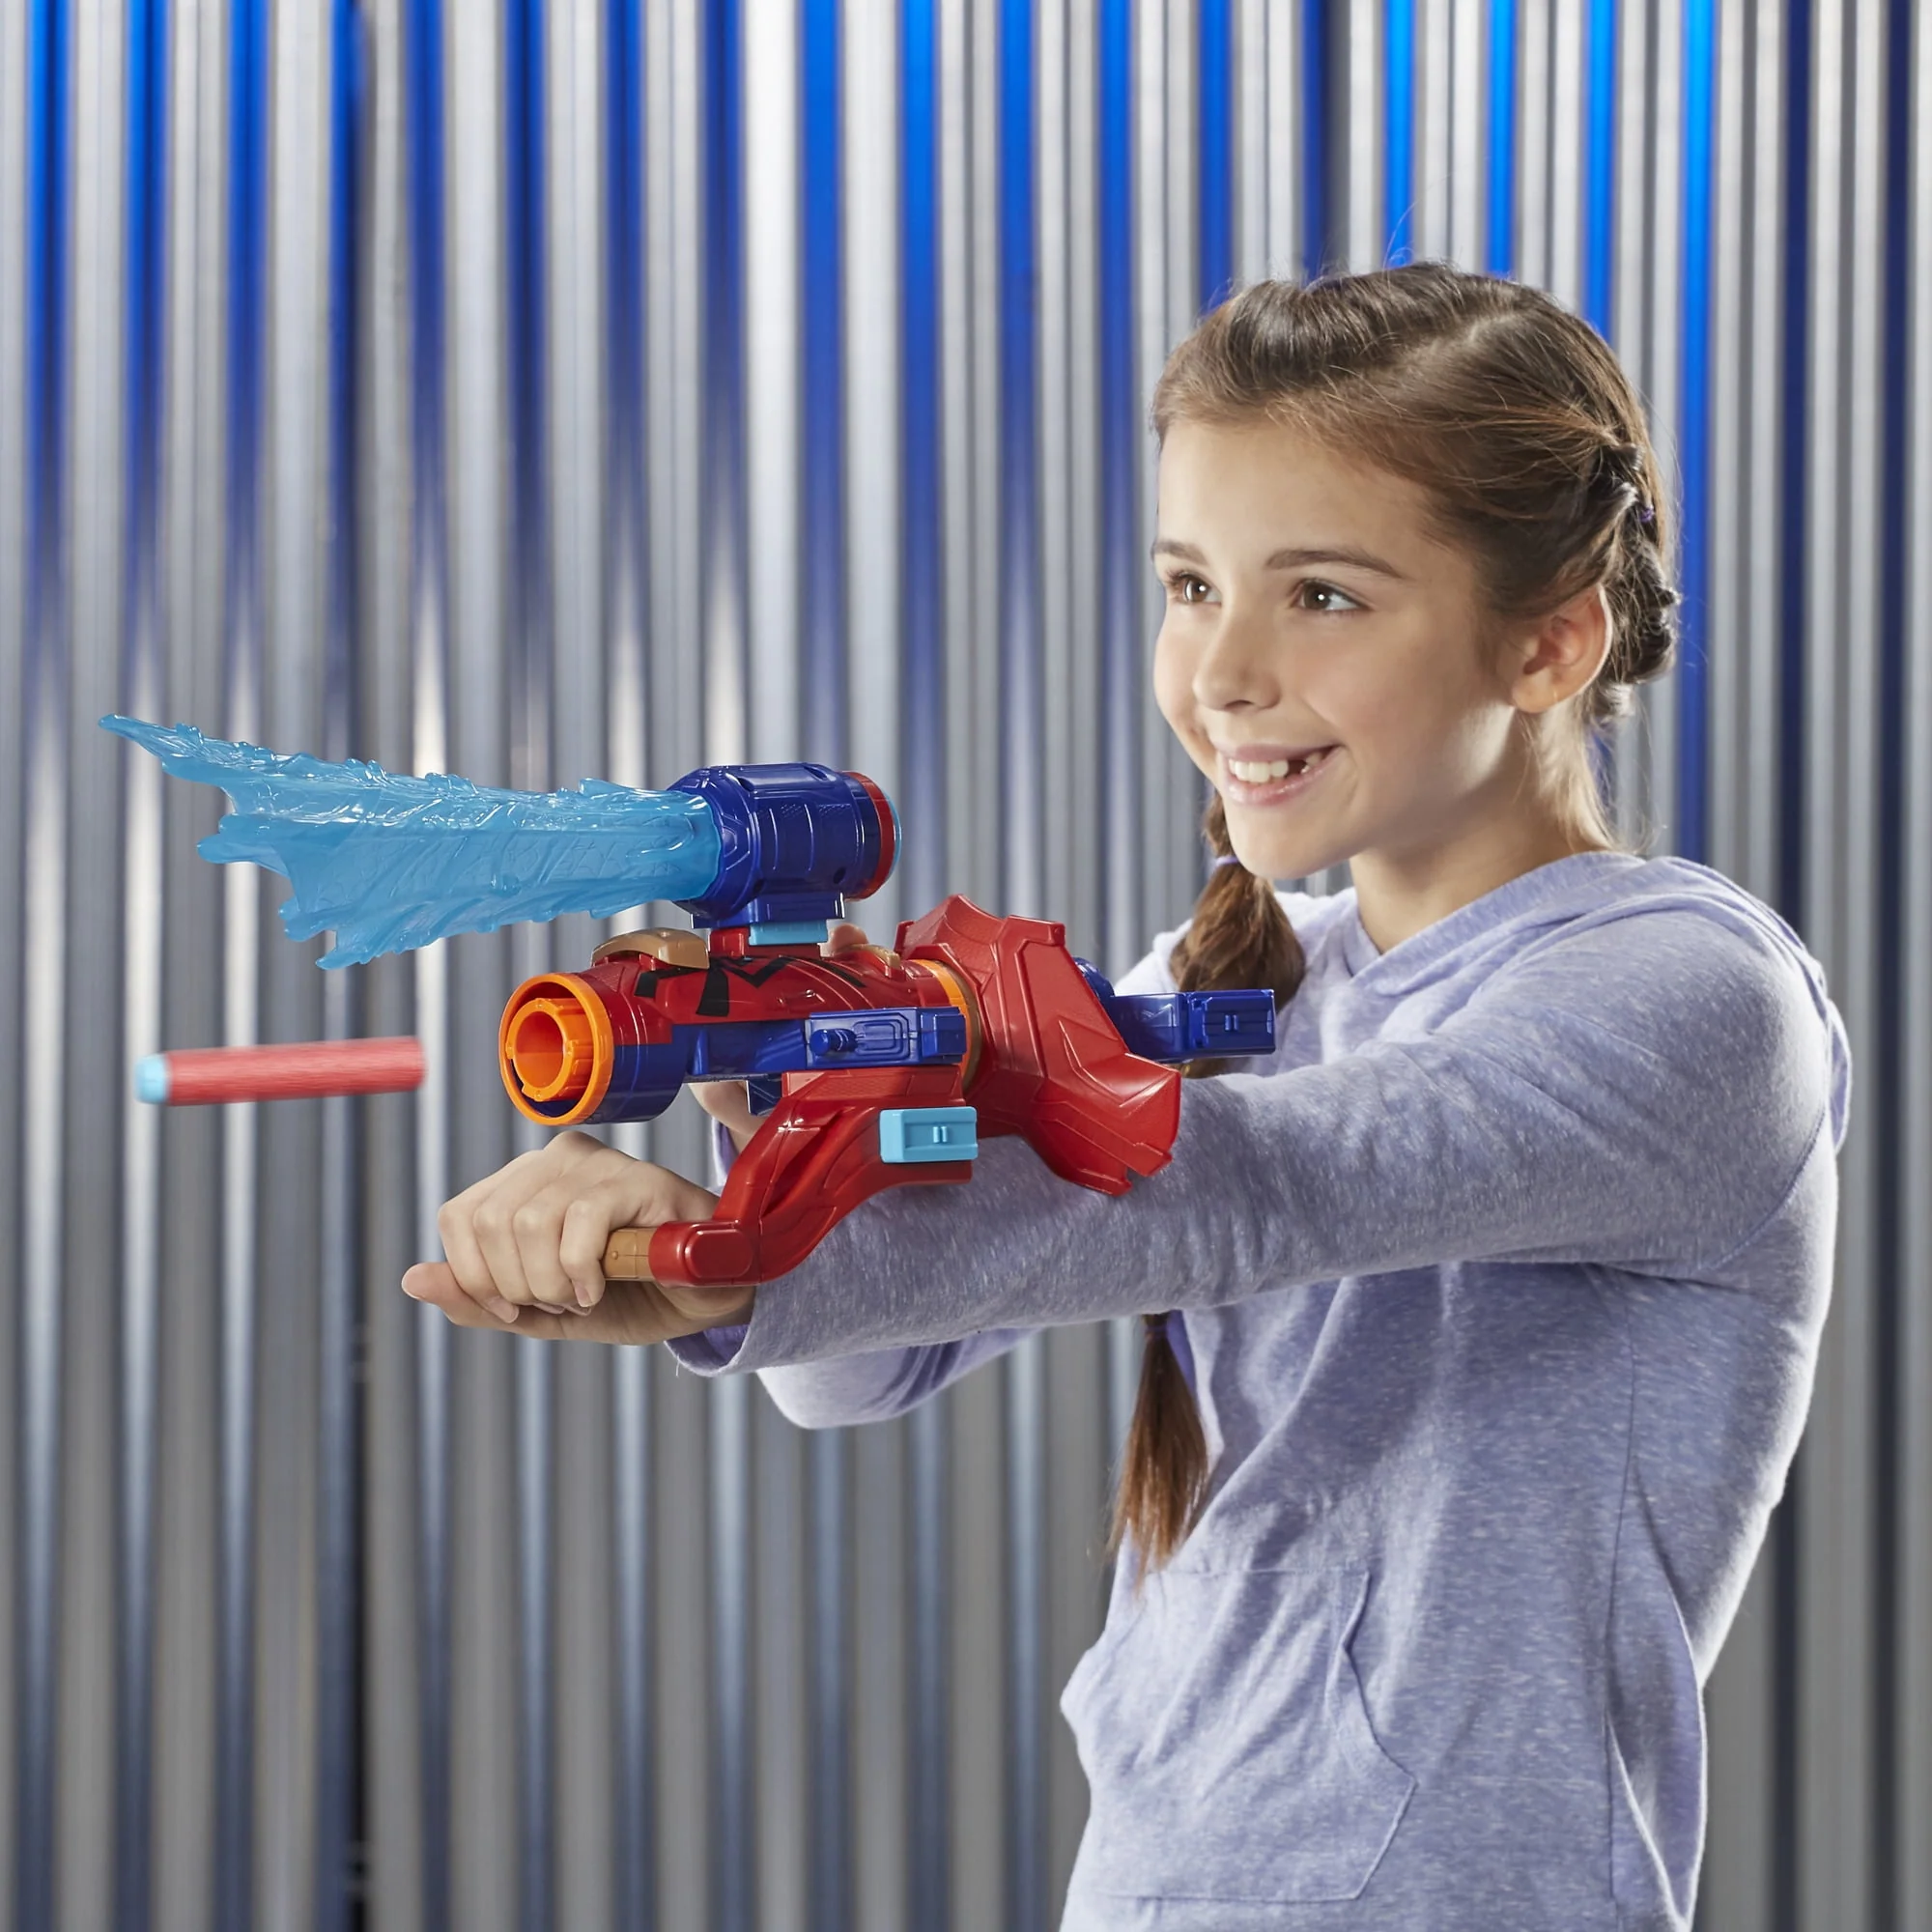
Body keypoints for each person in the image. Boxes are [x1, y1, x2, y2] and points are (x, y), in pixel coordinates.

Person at [403, 265, 1850, 1929]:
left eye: (1323, 595)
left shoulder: (1691, 997)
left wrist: (739, 1261)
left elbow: (1259, 1187)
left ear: (1550, 641)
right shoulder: (1241, 970)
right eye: (1188, 585)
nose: (1223, 669)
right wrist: (776, 1105)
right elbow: (858, 1372)